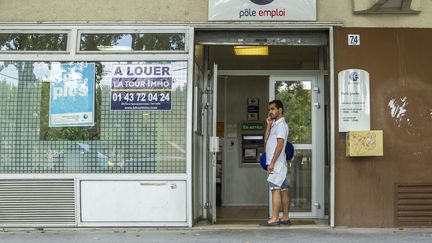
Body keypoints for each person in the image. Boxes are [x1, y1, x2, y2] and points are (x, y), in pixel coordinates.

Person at [260, 99, 290, 226]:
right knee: (283, 189)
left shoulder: (282, 125)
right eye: (269, 110)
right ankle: (285, 217)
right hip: (278, 163)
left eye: (272, 109)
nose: (270, 112)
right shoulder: (275, 125)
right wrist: (268, 125)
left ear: (280, 110)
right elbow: (266, 140)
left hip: (277, 163)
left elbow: (280, 145)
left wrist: (271, 163)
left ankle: (274, 218)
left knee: (275, 189)